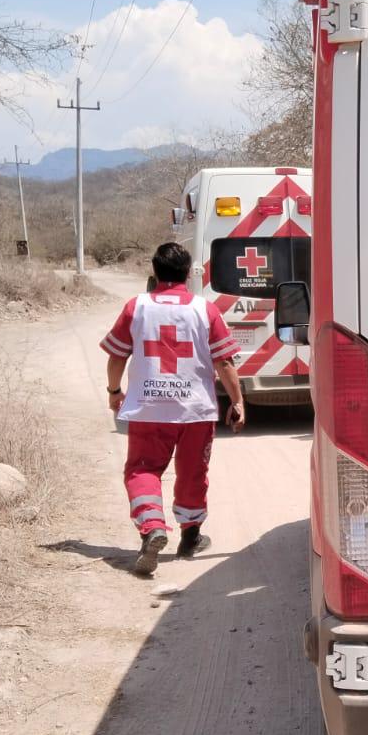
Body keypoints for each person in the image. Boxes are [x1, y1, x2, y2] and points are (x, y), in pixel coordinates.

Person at [100, 241, 246, 575]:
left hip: (149, 409)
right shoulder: (204, 309)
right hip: (195, 410)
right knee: (193, 472)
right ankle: (190, 537)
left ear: (154, 270)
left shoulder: (136, 307)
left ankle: (152, 527)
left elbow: (117, 355)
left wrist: (113, 391)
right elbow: (224, 362)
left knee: (142, 469)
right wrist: (237, 401)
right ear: (188, 272)